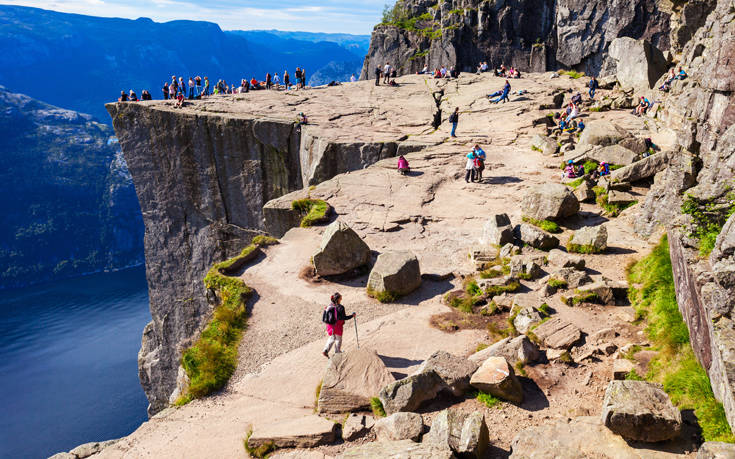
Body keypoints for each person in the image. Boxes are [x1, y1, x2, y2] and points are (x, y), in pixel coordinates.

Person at [322, 292, 355, 358]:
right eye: (340, 298)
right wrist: (352, 316)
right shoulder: (341, 307)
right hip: (338, 326)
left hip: (330, 326)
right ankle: (337, 352)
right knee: (338, 339)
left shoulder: (330, 306)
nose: (341, 299)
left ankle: (325, 350)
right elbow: (343, 317)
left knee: (332, 338)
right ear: (338, 299)